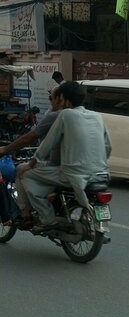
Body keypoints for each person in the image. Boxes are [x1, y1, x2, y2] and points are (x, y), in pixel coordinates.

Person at [23, 81, 112, 232]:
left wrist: (31, 164)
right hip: (101, 173)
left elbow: (47, 144)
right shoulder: (97, 116)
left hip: (72, 174)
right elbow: (108, 147)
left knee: (27, 176)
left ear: (64, 99)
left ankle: (47, 219)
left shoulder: (65, 115)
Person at [0, 87, 64, 227]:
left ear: (61, 99)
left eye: (51, 98)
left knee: (22, 171)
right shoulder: (91, 117)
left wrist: (7, 149)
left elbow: (35, 140)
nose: (50, 101)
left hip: (57, 167)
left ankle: (25, 213)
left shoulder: (58, 116)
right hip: (89, 170)